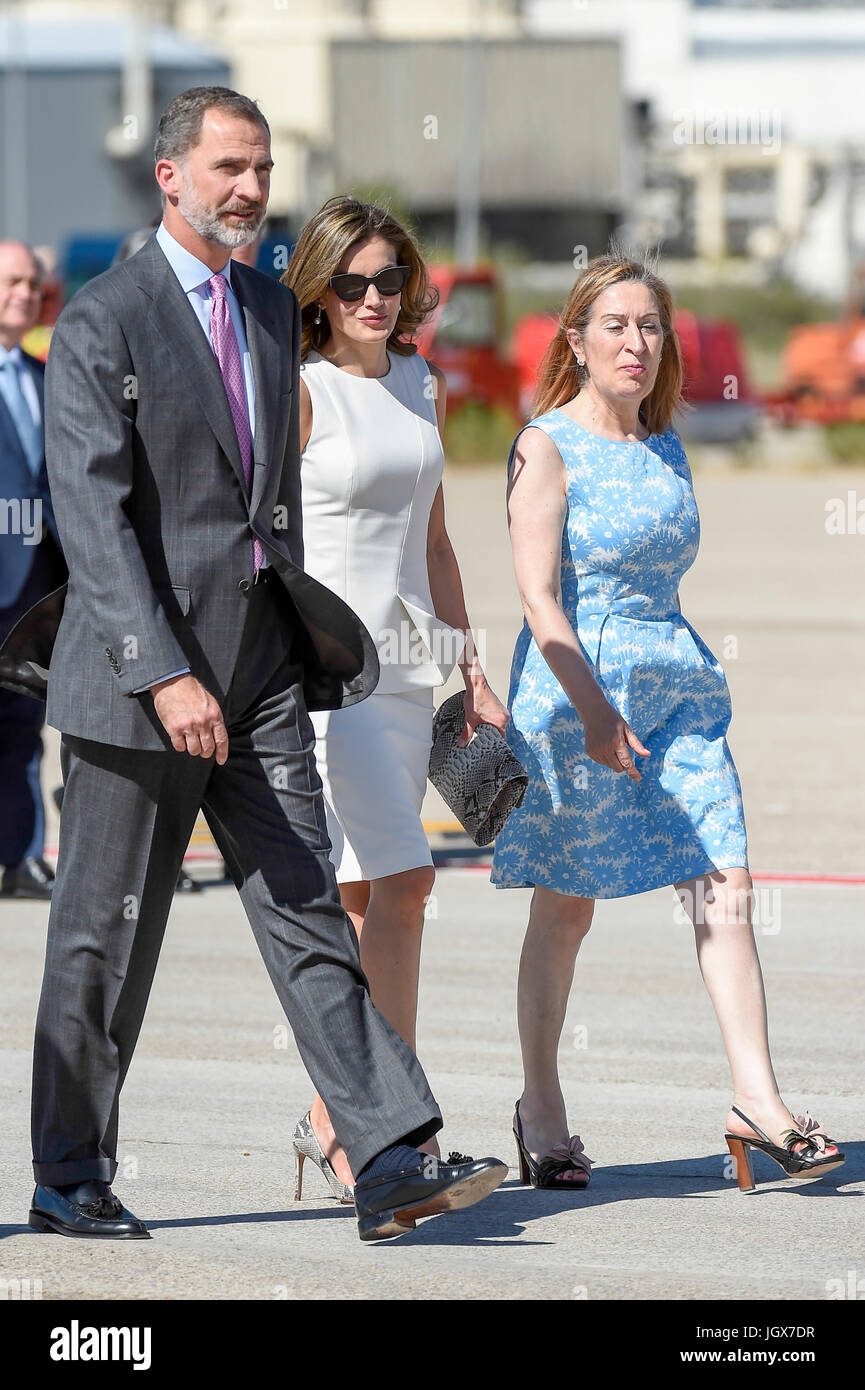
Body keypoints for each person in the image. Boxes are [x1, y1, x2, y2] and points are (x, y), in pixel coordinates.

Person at [18, 85, 506, 1244]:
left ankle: (385, 1151)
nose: (248, 189)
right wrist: (161, 671)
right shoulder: (103, 319)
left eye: (261, 168)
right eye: (228, 167)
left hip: (262, 676)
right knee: (106, 935)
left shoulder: (269, 312)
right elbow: (90, 519)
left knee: (304, 910)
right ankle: (68, 1172)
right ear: (170, 177)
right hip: (141, 688)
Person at [491, 249, 845, 1193]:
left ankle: (755, 1101)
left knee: (723, 880)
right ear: (575, 338)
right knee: (566, 910)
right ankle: (540, 1106)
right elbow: (536, 600)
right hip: (578, 691)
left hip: (674, 682)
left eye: (649, 326)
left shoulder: (664, 441)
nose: (635, 343)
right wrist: (595, 712)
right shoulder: (544, 443)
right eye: (613, 324)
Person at [281, 197, 509, 1199]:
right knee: (404, 885)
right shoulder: (296, 389)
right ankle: (389, 1130)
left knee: (379, 895)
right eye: (351, 283)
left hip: (413, 667)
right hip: (330, 674)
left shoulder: (423, 380)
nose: (372, 298)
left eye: (388, 281)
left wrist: (468, 663)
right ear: (319, 295)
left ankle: (342, 1119)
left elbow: (435, 539)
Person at [0, 241, 68, 900]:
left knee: (23, 728)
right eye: (13, 281)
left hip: (31, 590)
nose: (25, 293)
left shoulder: (46, 377)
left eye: (32, 283)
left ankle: (19, 858)